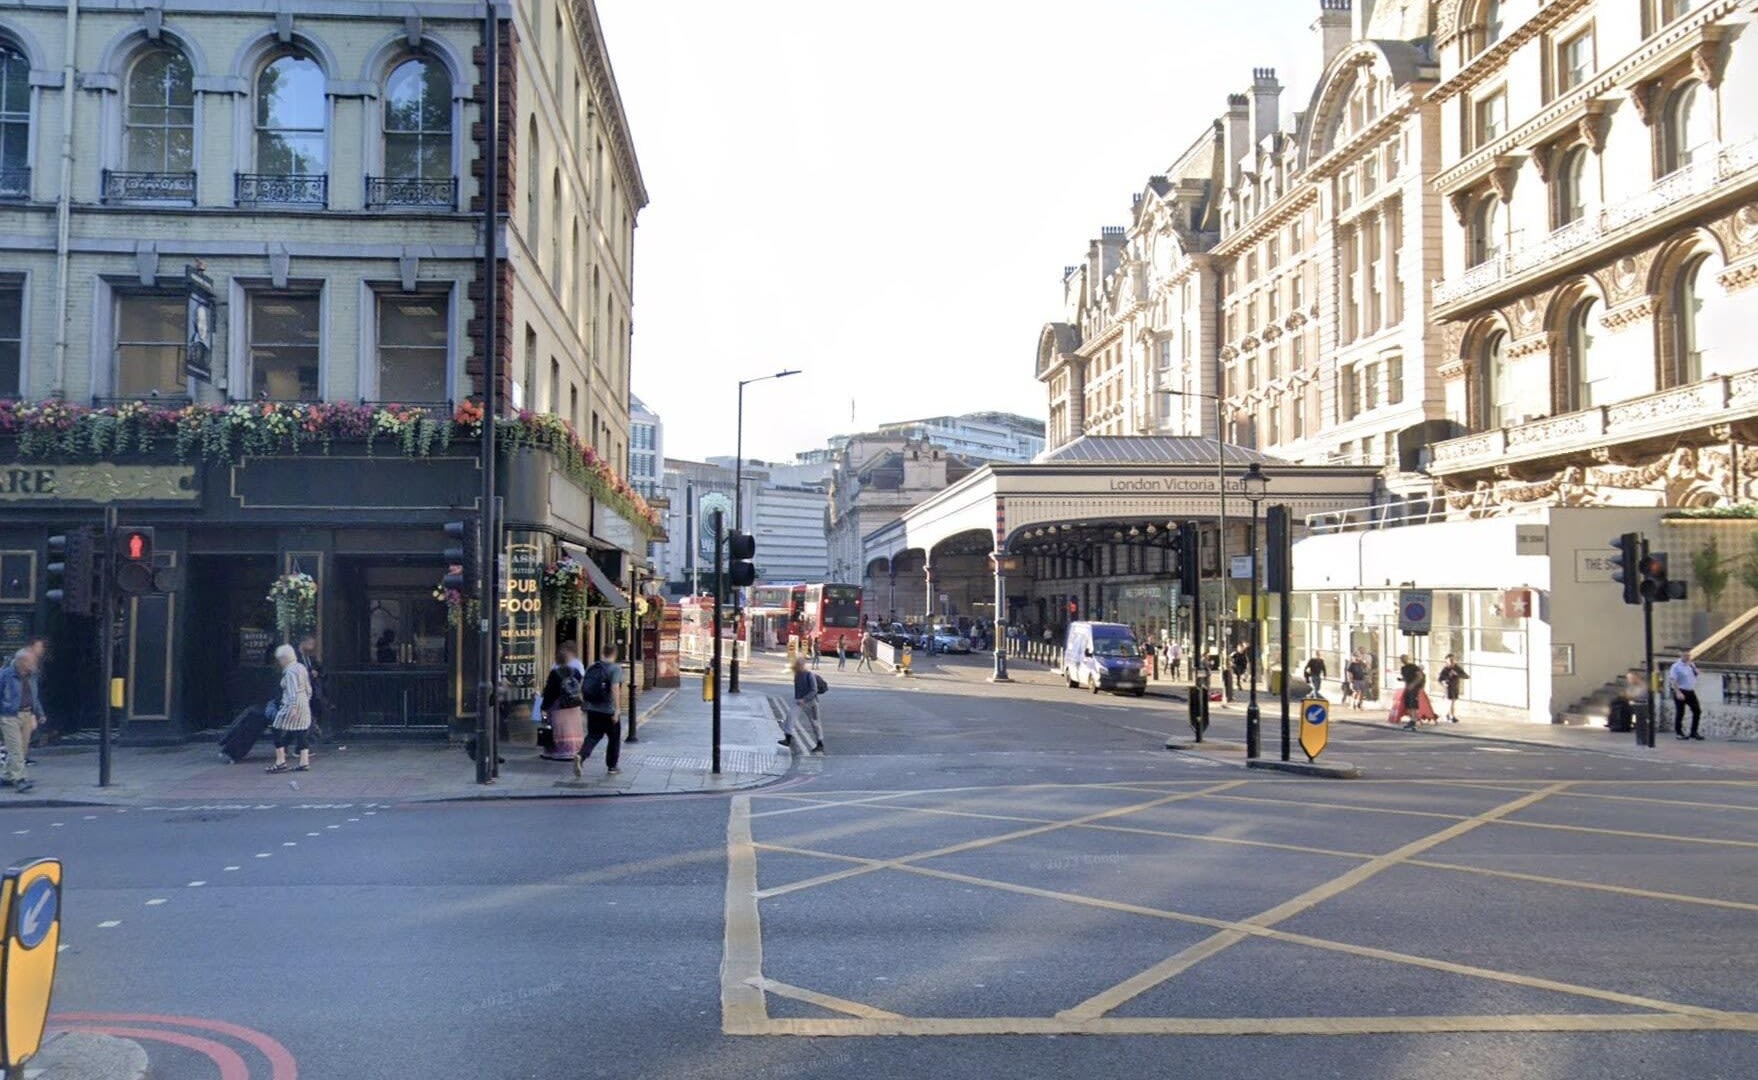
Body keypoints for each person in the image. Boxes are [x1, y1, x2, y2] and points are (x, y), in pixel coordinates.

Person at [574, 643, 626, 777]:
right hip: (608, 710)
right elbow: (615, 689)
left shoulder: (593, 666)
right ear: (614, 654)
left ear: (603, 652)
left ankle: (581, 755)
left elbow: (582, 686)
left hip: (592, 708)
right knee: (614, 739)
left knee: (593, 735)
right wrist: (617, 709)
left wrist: (584, 705)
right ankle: (612, 767)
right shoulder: (615, 669)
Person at [265, 644, 313, 773]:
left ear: (284, 659)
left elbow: (292, 691)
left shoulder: (289, 671)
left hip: (292, 703)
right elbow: (308, 688)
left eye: (280, 659)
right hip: (303, 702)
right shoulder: (301, 667)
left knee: (276, 727)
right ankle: (304, 762)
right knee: (301, 731)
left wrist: (292, 707)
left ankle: (280, 761)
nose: (279, 662)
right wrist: (306, 700)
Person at [0, 649, 38, 793]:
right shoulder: (6, 674)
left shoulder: (31, 675)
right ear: (22, 661)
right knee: (15, 748)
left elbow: (35, 695)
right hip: (9, 715)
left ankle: (8, 775)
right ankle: (20, 779)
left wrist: (37, 713)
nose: (34, 663)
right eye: (30, 660)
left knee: (22, 748)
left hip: (27, 713)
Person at [540, 643, 586, 760]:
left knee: (558, 728)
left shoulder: (555, 673)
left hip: (558, 705)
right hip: (573, 705)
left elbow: (549, 691)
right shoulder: (575, 671)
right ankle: (574, 750)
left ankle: (557, 751)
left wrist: (544, 706)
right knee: (573, 728)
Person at [786, 654, 825, 755]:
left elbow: (814, 690)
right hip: (799, 701)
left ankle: (820, 743)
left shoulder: (809, 675)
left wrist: (804, 699)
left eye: (800, 664)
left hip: (811, 703)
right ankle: (788, 738)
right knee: (790, 716)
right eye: (797, 664)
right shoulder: (797, 674)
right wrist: (798, 699)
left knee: (815, 724)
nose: (798, 666)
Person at [1668, 650, 1703, 740]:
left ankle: (1693, 732)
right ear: (1681, 656)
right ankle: (1679, 732)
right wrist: (1678, 692)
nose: (1687, 657)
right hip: (1681, 690)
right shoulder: (1676, 666)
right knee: (1680, 712)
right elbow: (1673, 680)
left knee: (1697, 711)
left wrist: (1697, 672)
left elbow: (1694, 675)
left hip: (1690, 691)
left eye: (1688, 655)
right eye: (1685, 655)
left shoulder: (1691, 665)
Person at [298, 633, 326, 742]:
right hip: (301, 690)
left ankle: (309, 735)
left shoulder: (310, 658)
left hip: (311, 689)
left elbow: (320, 669)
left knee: (312, 710)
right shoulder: (297, 658)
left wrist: (317, 673)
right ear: (303, 643)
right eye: (310, 644)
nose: (312, 647)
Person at [1437, 655, 1469, 722]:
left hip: (1455, 687)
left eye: (1453, 660)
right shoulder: (1445, 669)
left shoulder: (1457, 668)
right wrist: (1444, 682)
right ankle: (1451, 716)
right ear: (1446, 661)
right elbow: (1440, 679)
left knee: (1453, 702)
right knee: (1450, 702)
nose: (1452, 662)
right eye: (1450, 661)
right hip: (1448, 687)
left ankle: (1448, 715)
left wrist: (1457, 674)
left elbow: (1466, 676)